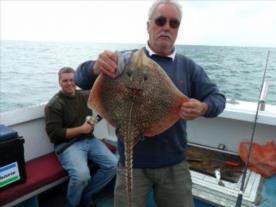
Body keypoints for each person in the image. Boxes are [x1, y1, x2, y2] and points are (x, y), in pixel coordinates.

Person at [74, 0, 226, 206]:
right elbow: (80, 79)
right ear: (148, 25)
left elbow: (218, 99)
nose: (166, 27)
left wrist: (203, 107)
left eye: (174, 23)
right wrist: (95, 67)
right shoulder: (124, 60)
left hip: (174, 165)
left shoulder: (188, 67)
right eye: (160, 20)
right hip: (131, 164)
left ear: (178, 29)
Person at [44, 67, 118, 207]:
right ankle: (72, 204)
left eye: (72, 80)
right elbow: (54, 134)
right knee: (82, 176)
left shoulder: (84, 95)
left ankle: (86, 194)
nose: (69, 83)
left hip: (90, 140)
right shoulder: (53, 105)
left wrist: (91, 123)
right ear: (59, 82)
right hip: (68, 145)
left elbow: (100, 110)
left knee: (113, 165)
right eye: (65, 80)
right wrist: (82, 129)